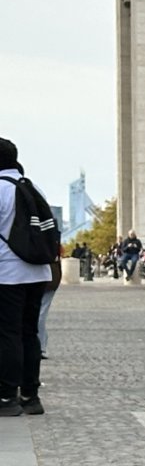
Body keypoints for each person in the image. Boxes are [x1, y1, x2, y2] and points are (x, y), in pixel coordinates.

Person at [0, 139, 53, 415]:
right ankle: (31, 396)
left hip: (7, 273)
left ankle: (7, 396)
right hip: (37, 272)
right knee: (29, 333)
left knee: (7, 334)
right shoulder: (33, 188)